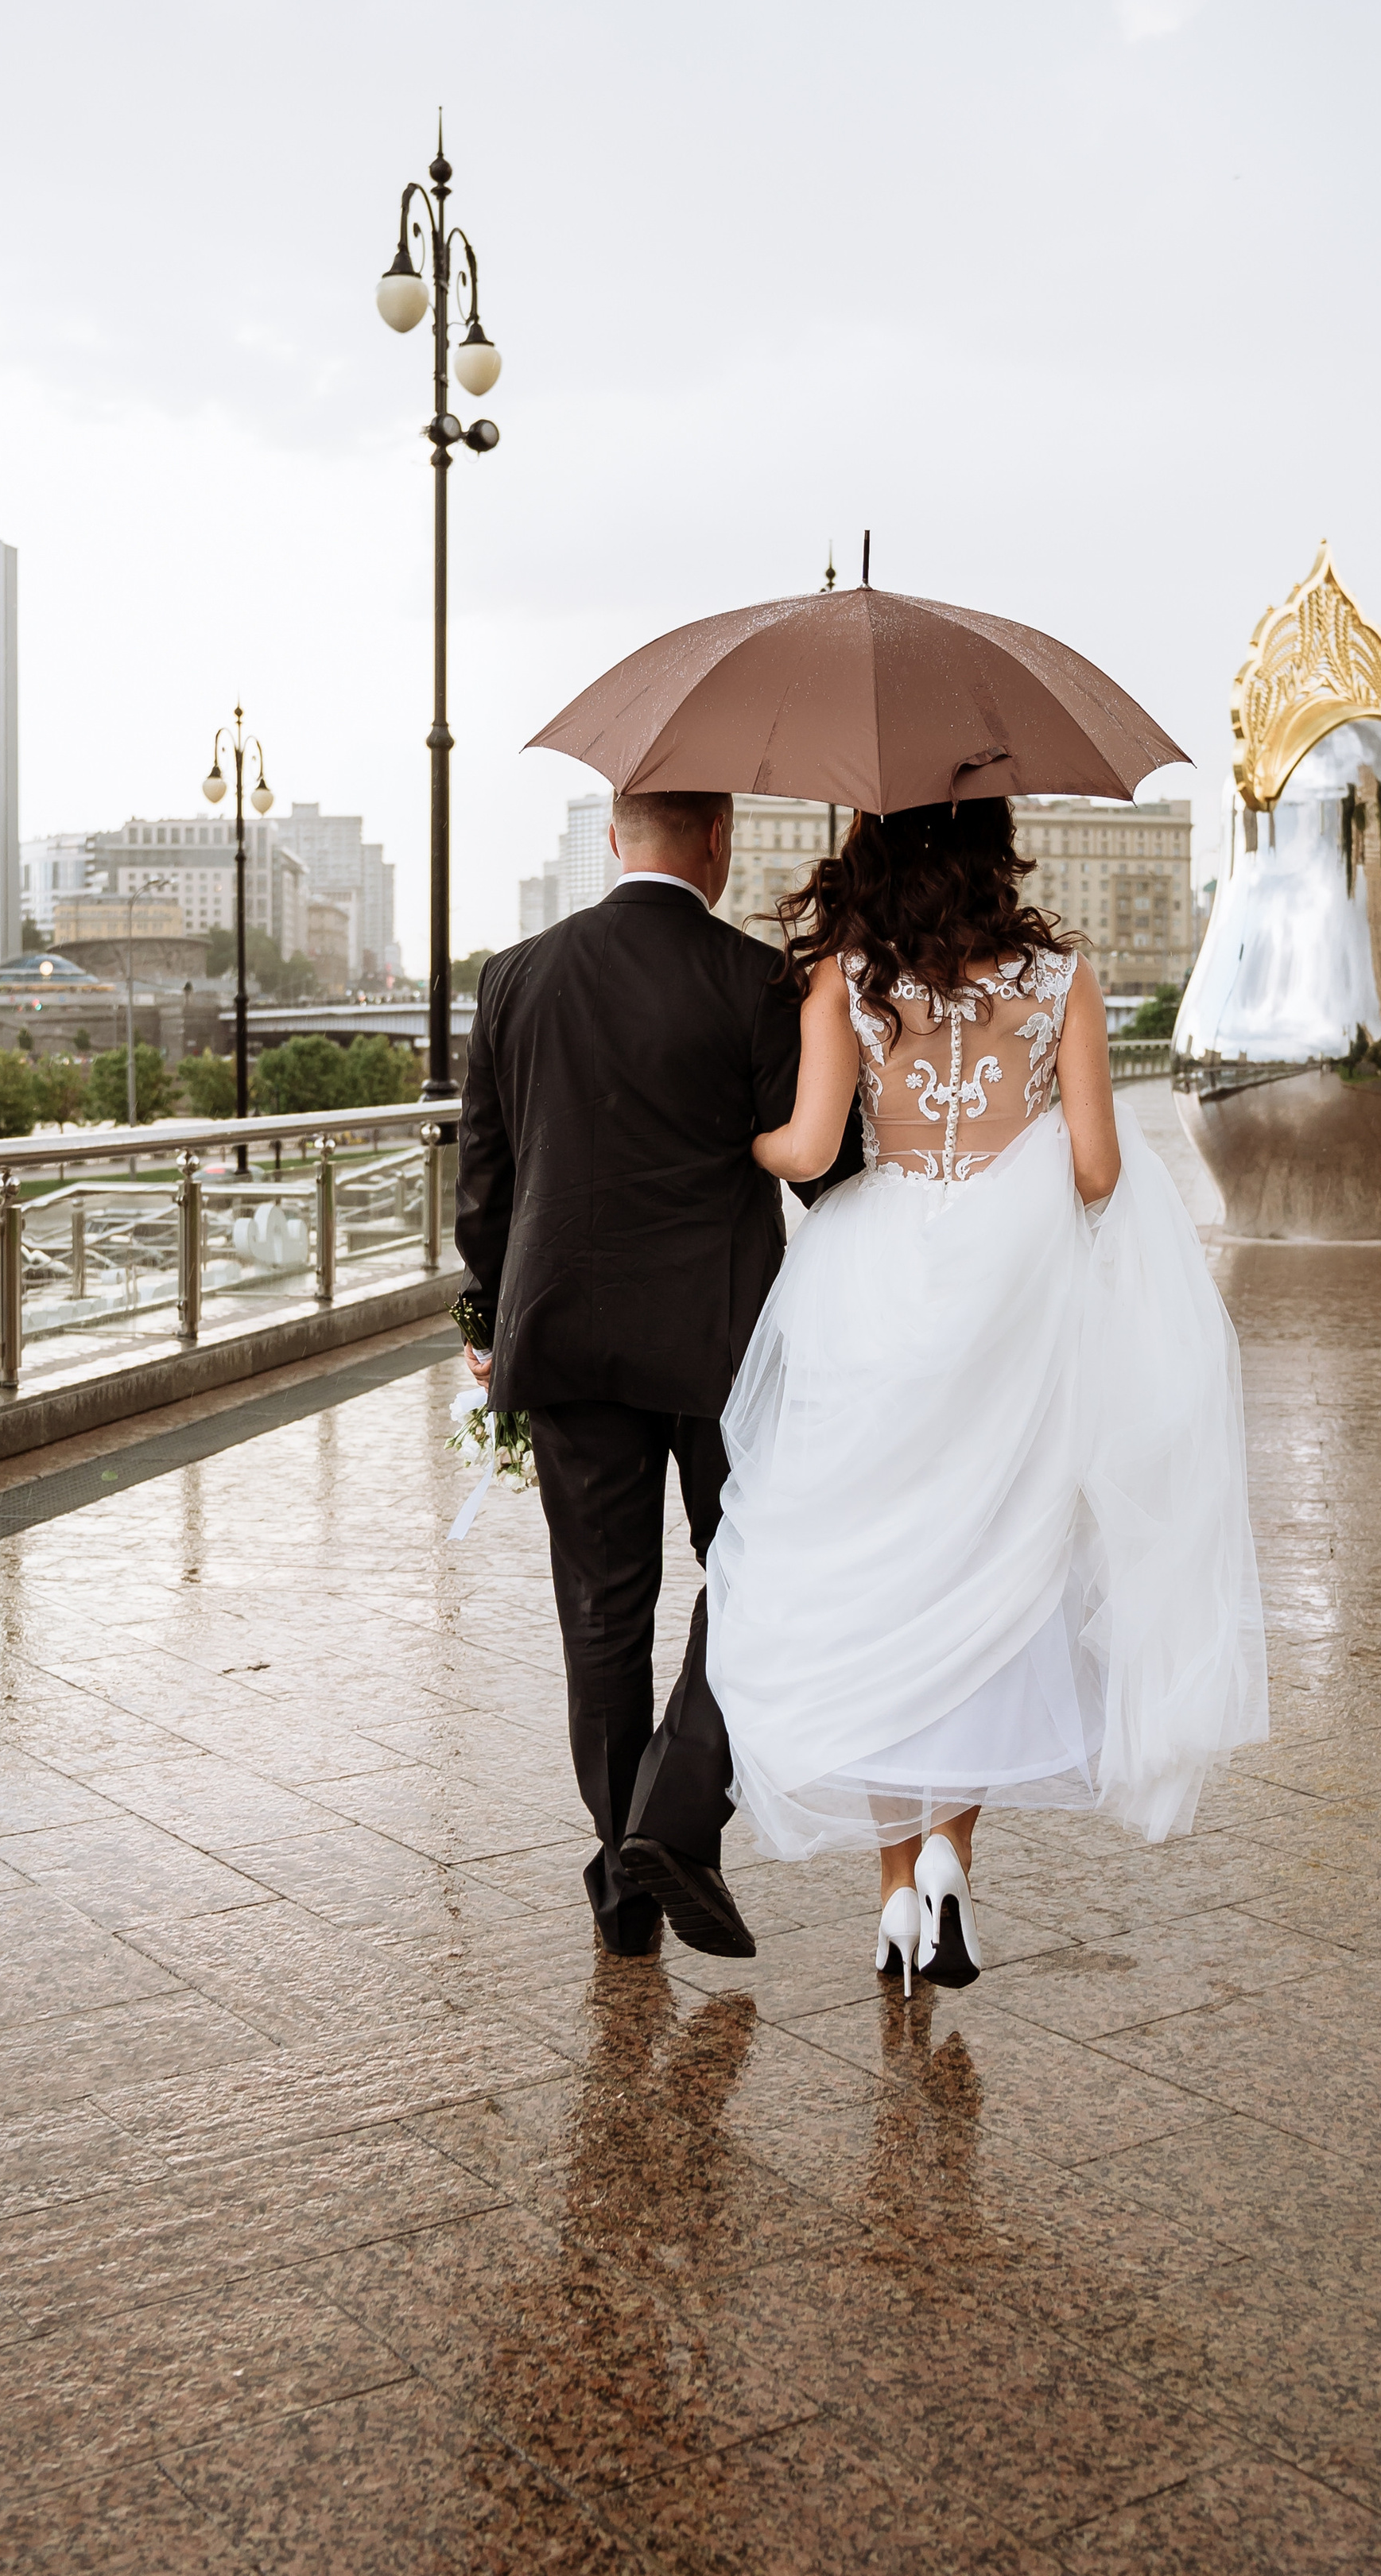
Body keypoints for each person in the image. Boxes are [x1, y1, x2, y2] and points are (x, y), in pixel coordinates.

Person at [706, 797, 1267, 1992]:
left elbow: (809, 1152)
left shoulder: (846, 976)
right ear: (991, 842)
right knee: (994, 1565)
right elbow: (1102, 1167)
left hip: (876, 1292)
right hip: (1012, 1303)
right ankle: (956, 1857)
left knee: (879, 1579)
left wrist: (733, 1144)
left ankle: (895, 1887)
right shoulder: (1058, 973)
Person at [455, 788, 856, 1962]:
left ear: (616, 838)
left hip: (568, 1339)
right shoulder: (757, 983)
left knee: (601, 1612)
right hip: (723, 1348)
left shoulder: (515, 977)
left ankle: (623, 1877)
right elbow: (823, 1176)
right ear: (718, 841)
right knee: (760, 1570)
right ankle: (675, 1814)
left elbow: (486, 1175)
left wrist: (487, 1318)